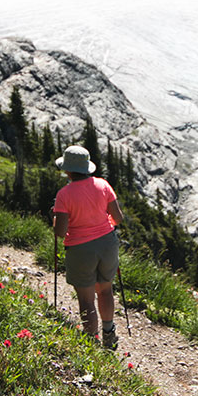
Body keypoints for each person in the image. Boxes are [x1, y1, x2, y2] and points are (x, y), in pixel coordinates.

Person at [51, 145, 124, 349]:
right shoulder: (103, 185)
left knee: (86, 299)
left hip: (80, 249)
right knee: (105, 290)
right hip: (108, 244)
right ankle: (109, 333)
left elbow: (60, 232)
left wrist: (55, 217)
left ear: (67, 170)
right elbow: (118, 218)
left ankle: (91, 343)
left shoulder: (64, 194)